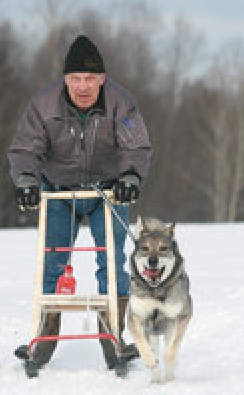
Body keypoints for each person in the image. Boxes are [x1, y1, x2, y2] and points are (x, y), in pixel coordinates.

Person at [8, 35, 152, 370]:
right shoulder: (44, 104)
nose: (83, 87)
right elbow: (25, 149)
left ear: (102, 79)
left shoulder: (121, 103)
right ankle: (43, 342)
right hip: (59, 191)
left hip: (108, 192)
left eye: (90, 79)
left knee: (112, 266)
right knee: (52, 265)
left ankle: (112, 340)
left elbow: (137, 147)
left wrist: (130, 177)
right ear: (65, 79)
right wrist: (27, 180)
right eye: (75, 79)